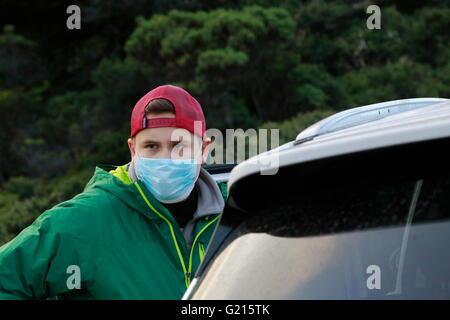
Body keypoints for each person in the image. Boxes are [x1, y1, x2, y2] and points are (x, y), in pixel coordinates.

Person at [0, 85, 227, 299]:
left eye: (179, 146)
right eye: (151, 146)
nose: (165, 158)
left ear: (204, 150)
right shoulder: (87, 219)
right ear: (133, 150)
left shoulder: (239, 214)